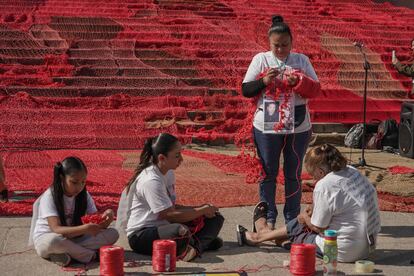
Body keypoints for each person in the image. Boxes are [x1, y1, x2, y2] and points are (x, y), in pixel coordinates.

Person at [237, 144, 381, 263]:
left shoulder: (325, 184)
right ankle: (266, 235)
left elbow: (318, 227)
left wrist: (304, 218)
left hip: (342, 251)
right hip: (368, 247)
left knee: (300, 224)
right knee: (304, 221)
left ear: (320, 171)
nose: (313, 179)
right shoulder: (352, 171)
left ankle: (261, 236)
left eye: (313, 175)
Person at [241, 15, 321, 229]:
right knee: (268, 172)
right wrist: (264, 81)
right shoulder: (261, 59)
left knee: (293, 174)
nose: (280, 50)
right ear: (269, 43)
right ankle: (267, 218)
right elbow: (246, 89)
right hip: (267, 123)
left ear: (292, 42)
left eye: (285, 45)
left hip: (298, 123)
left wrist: (299, 81)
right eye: (276, 46)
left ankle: (292, 220)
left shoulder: (301, 60)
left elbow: (316, 89)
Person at [116, 133, 224, 262]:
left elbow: (172, 206)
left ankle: (193, 246)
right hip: (142, 235)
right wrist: (201, 210)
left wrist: (202, 209)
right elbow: (169, 215)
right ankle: (198, 243)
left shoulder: (168, 172)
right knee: (179, 230)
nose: (181, 159)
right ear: (162, 158)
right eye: (177, 156)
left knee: (215, 218)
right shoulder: (150, 180)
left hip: (165, 225)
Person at [28, 157, 119, 267]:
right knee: (54, 241)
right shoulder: (50, 196)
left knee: (113, 234)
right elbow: (56, 229)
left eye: (83, 182)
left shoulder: (84, 195)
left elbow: (96, 223)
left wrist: (106, 217)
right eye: (74, 182)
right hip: (48, 238)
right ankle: (91, 255)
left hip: (75, 239)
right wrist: (85, 229)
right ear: (62, 178)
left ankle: (68, 254)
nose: (80, 187)